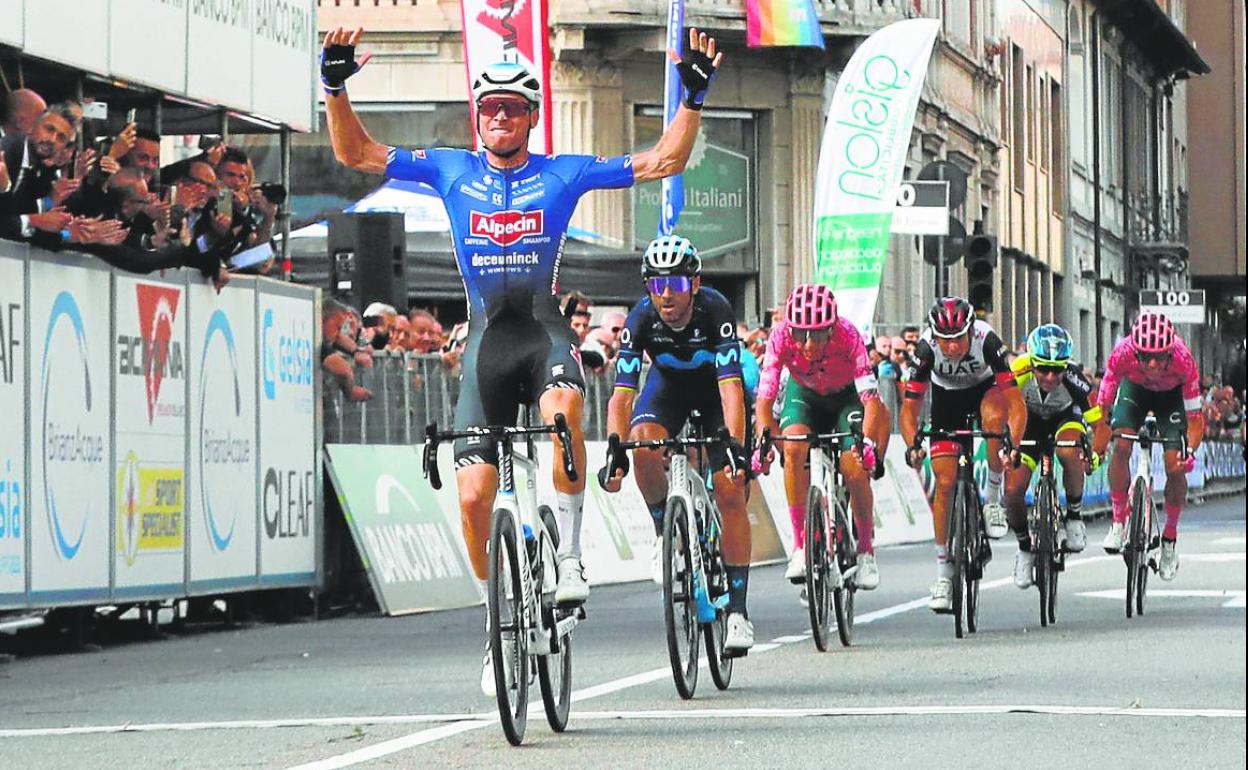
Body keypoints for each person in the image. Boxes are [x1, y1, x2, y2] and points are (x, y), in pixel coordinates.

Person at [323, 23, 724, 684]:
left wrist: (693, 100)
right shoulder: (449, 169)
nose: (499, 116)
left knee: (565, 410)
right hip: (486, 343)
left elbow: (661, 162)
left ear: (534, 116)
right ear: (477, 116)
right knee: (476, 495)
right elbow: (357, 153)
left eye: (512, 107)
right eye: (489, 107)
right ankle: (497, 624)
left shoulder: (562, 174)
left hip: (541, 333)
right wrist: (334, 86)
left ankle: (568, 560)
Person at [600, 235, 754, 653]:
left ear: (695, 284)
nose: (667, 296)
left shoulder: (716, 310)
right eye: (657, 285)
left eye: (678, 285)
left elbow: (731, 390)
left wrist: (735, 445)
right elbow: (623, 394)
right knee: (642, 445)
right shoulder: (641, 319)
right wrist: (615, 447)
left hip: (715, 394)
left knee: (729, 489)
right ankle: (663, 533)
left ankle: (738, 611)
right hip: (668, 391)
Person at [752, 284, 890, 591]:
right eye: (801, 334)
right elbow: (764, 400)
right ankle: (801, 547)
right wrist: (764, 442)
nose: (809, 343)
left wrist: (867, 444)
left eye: (818, 334)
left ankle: (866, 549)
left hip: (847, 398)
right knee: (793, 448)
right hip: (804, 396)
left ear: (832, 328)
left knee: (854, 468)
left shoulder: (849, 335)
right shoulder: (780, 337)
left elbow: (870, 400)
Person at [899, 297, 1027, 612]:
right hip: (946, 399)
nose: (953, 346)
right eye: (946, 340)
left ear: (970, 331)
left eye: (959, 338)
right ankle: (944, 574)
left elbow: (1015, 403)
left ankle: (993, 500)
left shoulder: (987, 340)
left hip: (986, 391)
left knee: (996, 421)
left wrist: (1014, 444)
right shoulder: (926, 349)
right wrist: (913, 444)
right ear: (935, 336)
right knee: (944, 484)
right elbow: (910, 409)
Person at [1092, 312, 1204, 580]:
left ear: (1170, 351)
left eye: (1160, 357)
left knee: (1174, 466)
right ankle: (1119, 521)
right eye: (1145, 357)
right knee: (1121, 446)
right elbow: (1103, 407)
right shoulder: (1122, 354)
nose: (1153, 364)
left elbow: (1196, 419)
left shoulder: (1184, 360)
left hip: (1171, 399)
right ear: (1135, 350)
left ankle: (1169, 540)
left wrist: (1189, 451)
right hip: (1135, 393)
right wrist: (1097, 448)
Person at [1004, 325, 1102, 588]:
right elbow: (1002, 410)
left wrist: (1096, 454)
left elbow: (1099, 423)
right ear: (1032, 363)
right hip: (1028, 422)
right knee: (1012, 489)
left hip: (1064, 419)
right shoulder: (1018, 371)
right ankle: (1024, 549)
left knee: (1068, 449)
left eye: (1057, 369)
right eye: (1043, 369)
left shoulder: (1075, 379)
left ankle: (1073, 517)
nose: (1050, 376)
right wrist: (1007, 445)